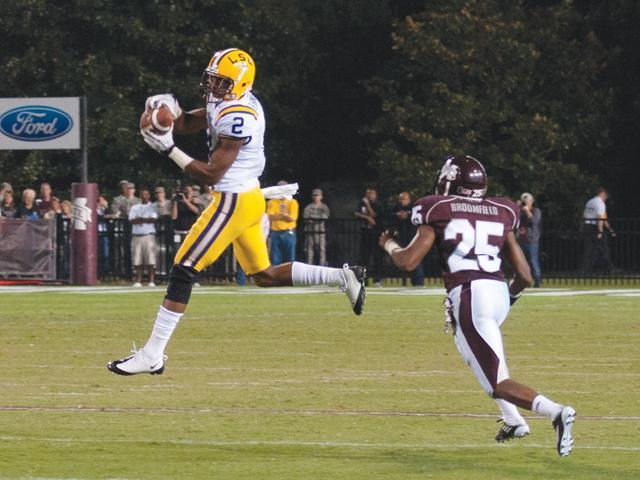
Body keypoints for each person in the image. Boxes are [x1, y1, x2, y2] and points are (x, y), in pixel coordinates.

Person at [108, 48, 365, 376]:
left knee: (185, 267)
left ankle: (152, 354)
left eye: (221, 81)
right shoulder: (225, 100)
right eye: (212, 78)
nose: (213, 86)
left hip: (233, 199)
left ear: (240, 84)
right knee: (264, 275)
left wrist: (169, 148)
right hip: (247, 196)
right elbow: (188, 121)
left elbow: (211, 174)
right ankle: (343, 277)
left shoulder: (241, 113)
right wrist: (167, 111)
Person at [379, 156, 576, 457]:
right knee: (471, 350)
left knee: (498, 380)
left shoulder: (437, 207)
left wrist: (389, 245)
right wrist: (506, 301)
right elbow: (524, 275)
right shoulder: (502, 209)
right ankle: (513, 419)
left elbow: (408, 262)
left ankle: (555, 411)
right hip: (498, 291)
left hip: (471, 292)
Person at [389, 191, 424, 286]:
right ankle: (404, 281)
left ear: (409, 199)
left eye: (404, 199)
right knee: (403, 259)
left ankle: (419, 281)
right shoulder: (397, 208)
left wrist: (407, 216)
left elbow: (418, 218)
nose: (402, 201)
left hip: (413, 236)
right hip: (402, 237)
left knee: (415, 258)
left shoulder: (414, 207)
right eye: (400, 199)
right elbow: (389, 215)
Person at [580, 187, 615, 274]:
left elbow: (584, 215)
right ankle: (609, 269)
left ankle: (586, 270)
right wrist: (600, 231)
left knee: (590, 249)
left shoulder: (589, 202)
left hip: (587, 226)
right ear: (602, 194)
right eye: (605, 197)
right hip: (595, 228)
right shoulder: (600, 203)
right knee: (604, 248)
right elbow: (600, 218)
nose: (605, 199)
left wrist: (610, 229)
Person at [128, 188, 158, 287]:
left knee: (151, 259)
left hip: (148, 235)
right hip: (137, 235)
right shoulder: (135, 207)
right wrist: (144, 220)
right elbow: (132, 220)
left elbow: (153, 219)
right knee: (137, 259)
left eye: (146, 195)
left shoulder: (153, 206)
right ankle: (138, 280)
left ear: (149, 196)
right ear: (140, 196)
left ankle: (151, 280)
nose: (144, 197)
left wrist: (140, 219)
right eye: (142, 195)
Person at [355, 188, 384, 286]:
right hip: (365, 233)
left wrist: (367, 205)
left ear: (375, 194)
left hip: (376, 233)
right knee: (364, 257)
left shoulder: (378, 204)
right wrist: (367, 218)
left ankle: (378, 279)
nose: (369, 195)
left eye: (372, 193)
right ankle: (363, 279)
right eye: (368, 193)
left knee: (377, 256)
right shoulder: (361, 203)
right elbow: (356, 213)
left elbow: (373, 215)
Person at [267, 180, 299, 265]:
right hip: (276, 233)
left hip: (289, 233)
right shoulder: (272, 202)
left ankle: (288, 278)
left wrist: (278, 216)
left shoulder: (293, 202)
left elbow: (292, 218)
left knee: (289, 259)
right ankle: (277, 278)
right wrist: (283, 216)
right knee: (275, 259)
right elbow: (270, 217)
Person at [518, 193, 542, 287]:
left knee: (533, 261)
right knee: (521, 262)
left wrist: (527, 211)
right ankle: (522, 281)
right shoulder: (520, 212)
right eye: (524, 201)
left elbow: (534, 222)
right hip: (521, 240)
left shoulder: (536, 211)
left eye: (528, 200)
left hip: (532, 241)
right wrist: (517, 208)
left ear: (532, 201)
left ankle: (537, 282)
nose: (526, 202)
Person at [303, 188, 330, 266]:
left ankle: (322, 267)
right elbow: (306, 217)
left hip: (320, 232)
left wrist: (313, 218)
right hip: (310, 232)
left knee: (322, 250)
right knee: (309, 251)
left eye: (317, 195)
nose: (316, 197)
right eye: (314, 195)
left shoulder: (324, 207)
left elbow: (325, 217)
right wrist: (317, 218)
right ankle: (309, 267)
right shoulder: (308, 207)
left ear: (321, 196)